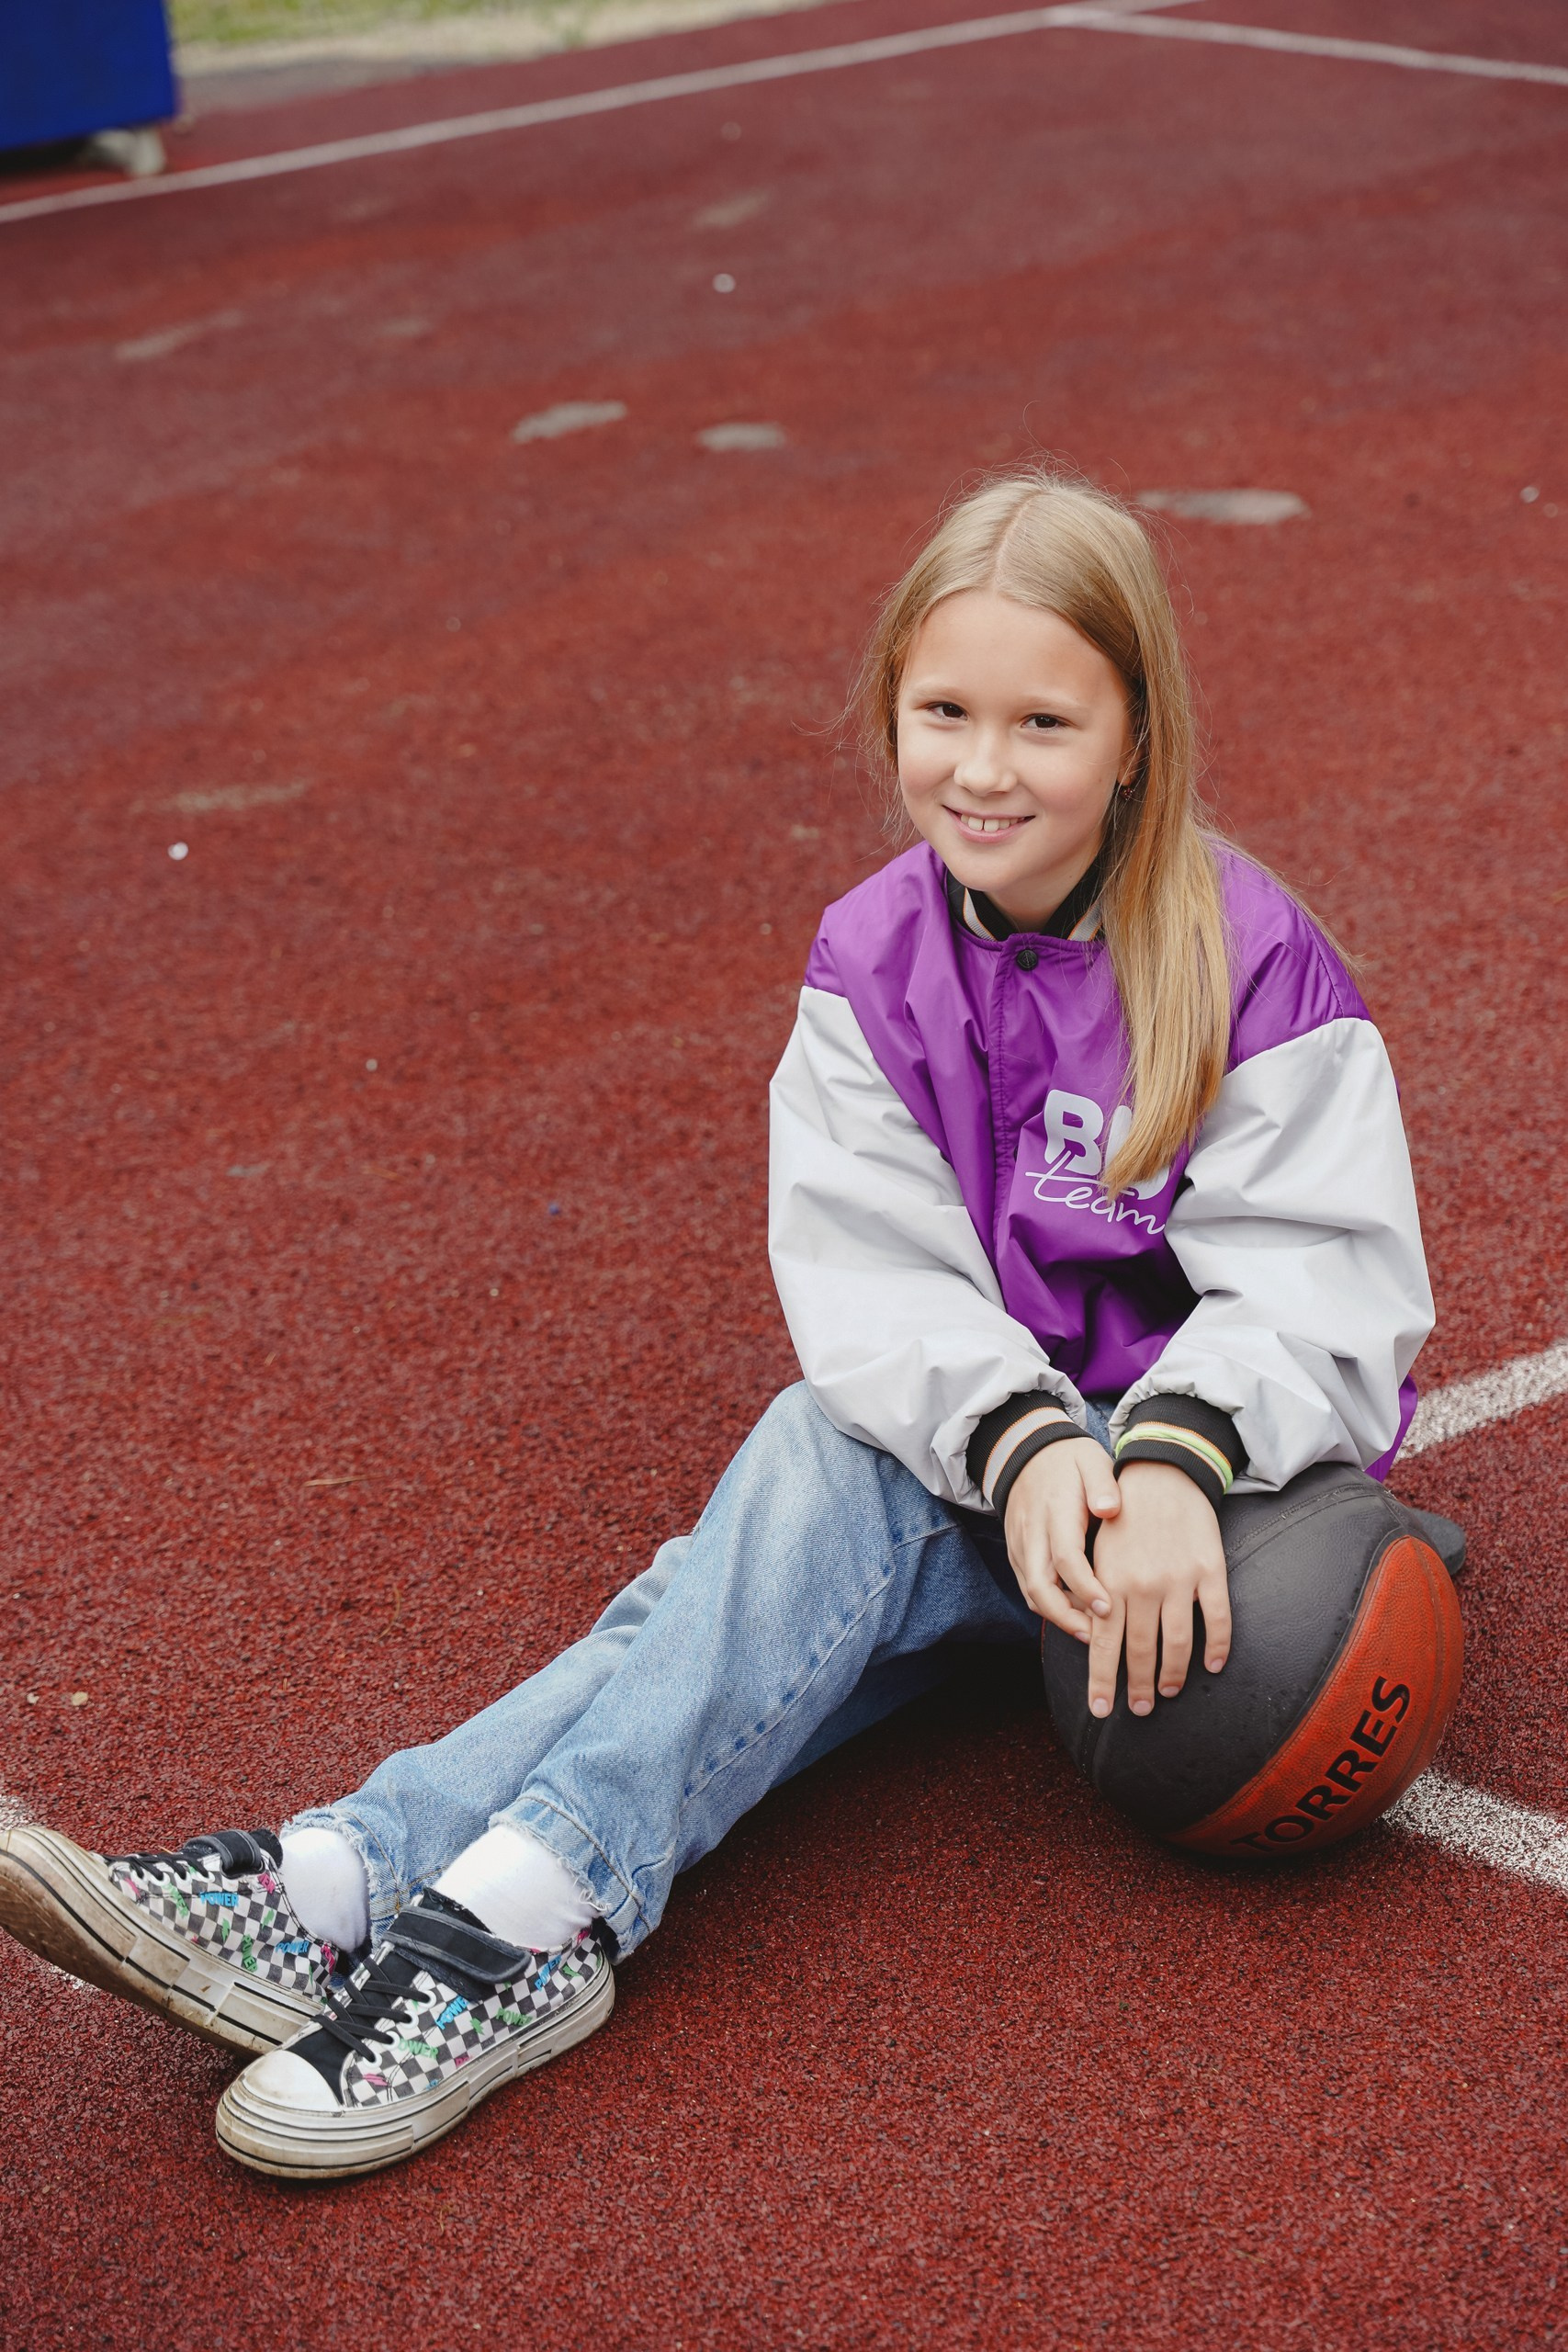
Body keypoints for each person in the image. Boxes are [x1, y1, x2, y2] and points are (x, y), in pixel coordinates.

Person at [0, 470, 1436, 2179]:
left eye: (1044, 720)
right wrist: (1028, 1442)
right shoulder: (870, 962)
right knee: (805, 1485)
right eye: (944, 713)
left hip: (1211, 1515)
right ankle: (413, 1898)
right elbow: (872, 1277)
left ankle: (408, 1894)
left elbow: (1329, 1281)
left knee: (749, 1554)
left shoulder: (1253, 960)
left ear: (1136, 737)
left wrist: (1174, 1461)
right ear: (888, 709)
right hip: (1000, 1483)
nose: (984, 767)